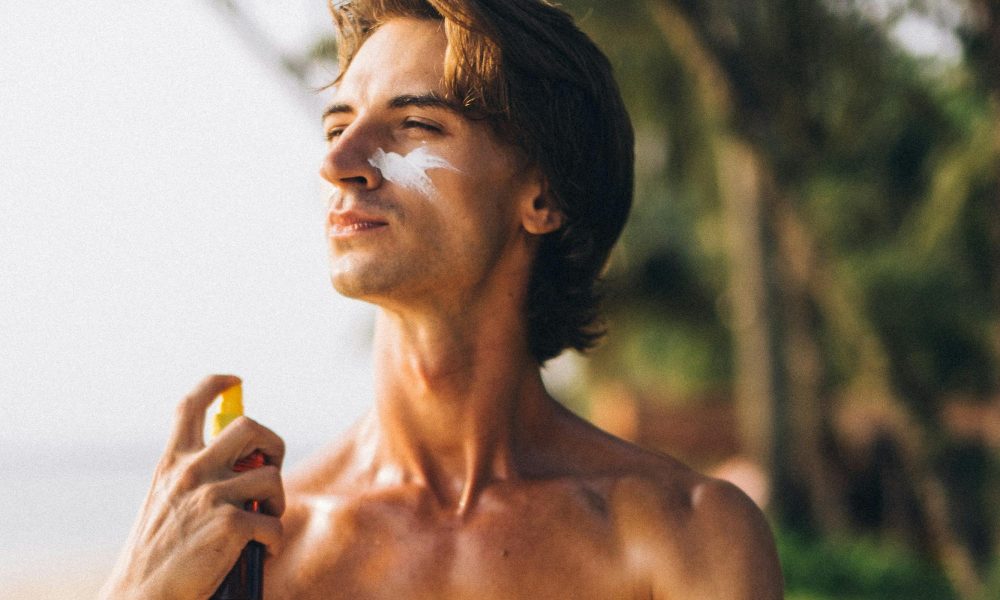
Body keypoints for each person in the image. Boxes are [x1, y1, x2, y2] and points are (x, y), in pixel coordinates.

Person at [101, 1, 784, 598]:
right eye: (338, 126)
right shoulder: (253, 547)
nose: (339, 164)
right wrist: (133, 590)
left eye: (416, 126)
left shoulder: (685, 534)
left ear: (541, 196)